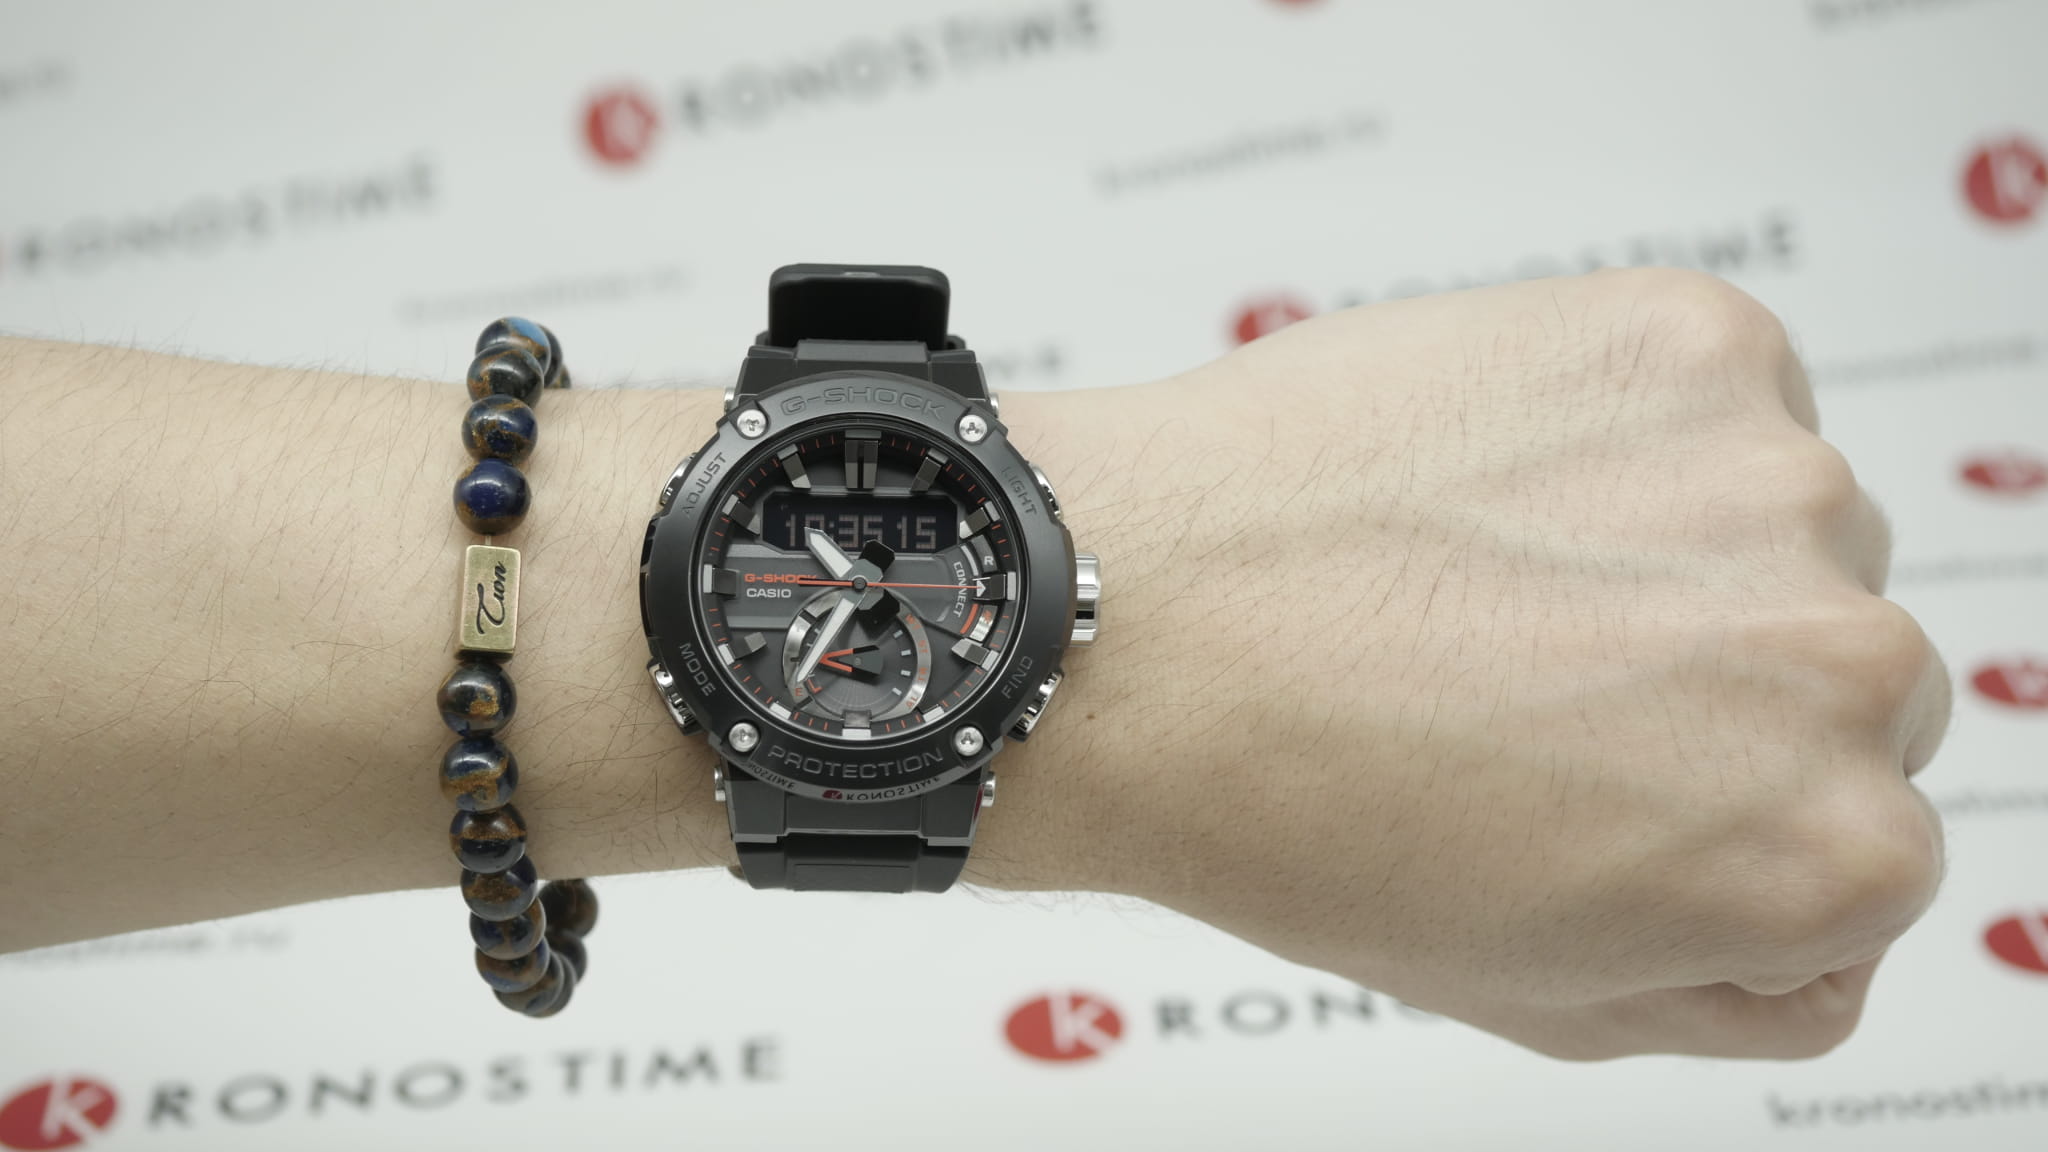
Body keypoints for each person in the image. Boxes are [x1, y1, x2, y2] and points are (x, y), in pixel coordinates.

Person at [0, 268, 1948, 1061]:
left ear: (1049, 608)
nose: (865, 595)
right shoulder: (766, 584)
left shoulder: (989, 598)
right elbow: (649, 596)